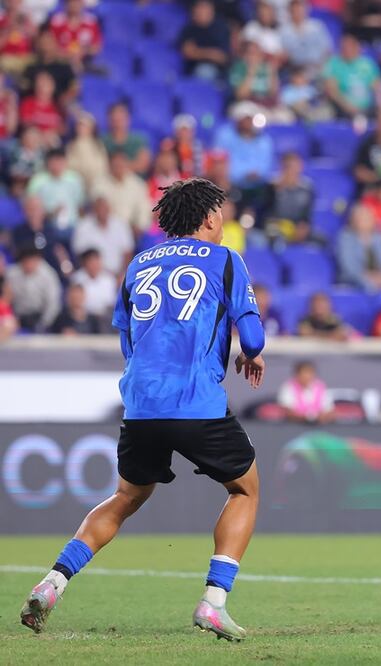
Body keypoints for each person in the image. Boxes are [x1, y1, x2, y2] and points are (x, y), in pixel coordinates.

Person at [20, 178, 266, 642]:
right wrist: (250, 352)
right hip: (196, 403)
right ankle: (213, 603)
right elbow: (252, 339)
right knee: (245, 490)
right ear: (211, 217)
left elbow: (128, 342)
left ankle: (51, 584)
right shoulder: (226, 259)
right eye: (221, 212)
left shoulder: (137, 264)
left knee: (126, 497)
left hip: (140, 404)